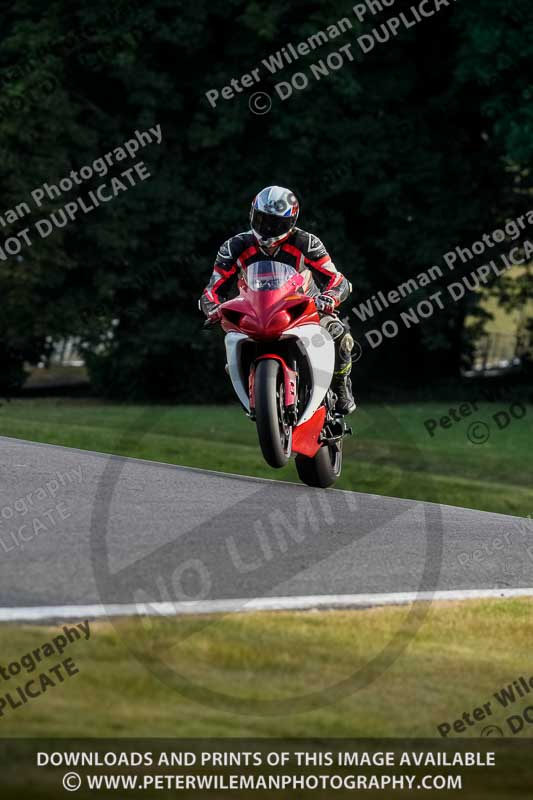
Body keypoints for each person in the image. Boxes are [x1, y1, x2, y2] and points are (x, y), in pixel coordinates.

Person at [199, 185, 356, 415]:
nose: (268, 229)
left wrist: (329, 298)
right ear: (252, 215)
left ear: (291, 222)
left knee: (341, 336)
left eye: (276, 224)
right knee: (232, 338)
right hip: (255, 310)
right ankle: (247, 382)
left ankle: (341, 387)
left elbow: (338, 280)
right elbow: (213, 288)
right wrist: (212, 308)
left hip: (304, 308)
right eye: (262, 220)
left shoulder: (307, 243)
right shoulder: (234, 246)